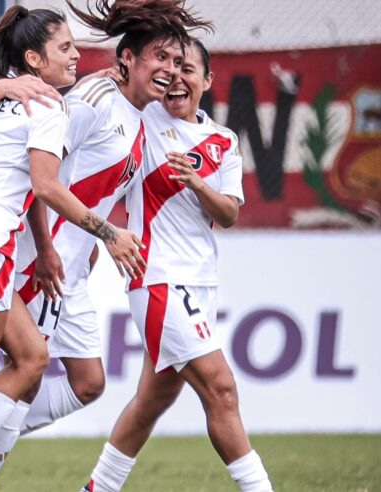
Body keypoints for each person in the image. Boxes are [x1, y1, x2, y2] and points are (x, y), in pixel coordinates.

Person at [0, 0, 213, 486]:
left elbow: (80, 183)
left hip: (73, 263)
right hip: (45, 263)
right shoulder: (92, 101)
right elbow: (41, 177)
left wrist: (93, 236)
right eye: (159, 58)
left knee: (87, 382)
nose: (169, 71)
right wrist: (59, 243)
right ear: (126, 59)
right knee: (29, 371)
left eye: (177, 62)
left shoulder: (140, 114)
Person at [0, 6, 152, 492]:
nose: (77, 56)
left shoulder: (3, 101)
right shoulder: (58, 105)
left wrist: (0, 89)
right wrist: (107, 233)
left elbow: (9, 166)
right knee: (17, 371)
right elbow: (47, 184)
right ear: (34, 58)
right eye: (65, 48)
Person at [80, 39, 273, 492]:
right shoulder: (144, 121)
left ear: (207, 81)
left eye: (189, 69)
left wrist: (196, 182)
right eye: (169, 66)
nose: (176, 76)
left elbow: (227, 214)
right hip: (158, 277)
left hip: (200, 281)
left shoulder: (222, 141)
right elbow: (115, 90)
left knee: (152, 400)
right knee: (221, 389)